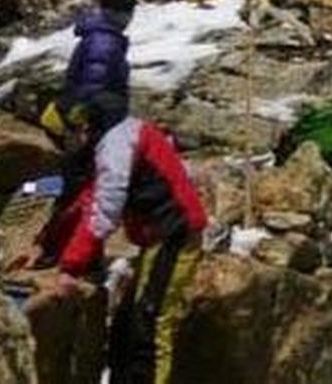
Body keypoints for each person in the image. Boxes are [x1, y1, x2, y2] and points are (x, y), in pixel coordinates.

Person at [23, 92, 206, 384]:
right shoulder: (110, 137)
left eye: (64, 139)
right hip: (157, 234)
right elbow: (86, 200)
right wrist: (47, 244)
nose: (64, 148)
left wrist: (71, 268)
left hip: (173, 232)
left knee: (151, 320)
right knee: (125, 325)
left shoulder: (117, 146)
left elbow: (103, 211)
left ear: (79, 129)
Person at [65, 0, 135, 106]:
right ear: (117, 13)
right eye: (129, 12)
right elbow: (93, 82)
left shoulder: (104, 35)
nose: (130, 18)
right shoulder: (104, 40)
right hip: (91, 110)